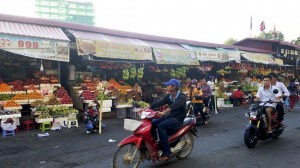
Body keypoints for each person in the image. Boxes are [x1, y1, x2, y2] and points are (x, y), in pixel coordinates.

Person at [142, 79, 187, 161]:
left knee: (161, 126)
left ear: (174, 86)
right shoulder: (168, 96)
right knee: (153, 123)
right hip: (170, 116)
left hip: (177, 119)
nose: (166, 87)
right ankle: (156, 144)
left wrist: (163, 112)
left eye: (168, 85)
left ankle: (167, 152)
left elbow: (174, 106)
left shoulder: (182, 97)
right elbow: (159, 103)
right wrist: (144, 109)